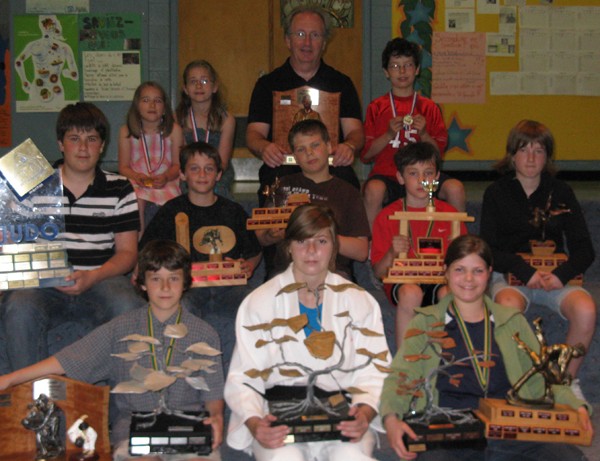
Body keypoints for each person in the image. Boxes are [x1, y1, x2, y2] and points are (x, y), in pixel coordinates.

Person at [0, 240, 225, 461]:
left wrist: (215, 416)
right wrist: (10, 379)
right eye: (156, 279)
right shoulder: (120, 328)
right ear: (141, 283)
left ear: (186, 282)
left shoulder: (204, 333)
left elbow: (213, 392)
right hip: (136, 429)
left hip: (188, 428)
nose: (165, 287)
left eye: (173, 278)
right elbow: (66, 361)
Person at [380, 235, 592, 461]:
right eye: (459, 269)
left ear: (489, 273)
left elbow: (545, 378)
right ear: (446, 272)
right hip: (450, 428)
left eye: (478, 271)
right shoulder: (425, 323)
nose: (468, 278)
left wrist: (576, 406)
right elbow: (401, 377)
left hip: (509, 427)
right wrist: (391, 419)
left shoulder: (512, 321)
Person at [225, 204, 389, 461]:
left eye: (321, 241)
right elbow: (244, 376)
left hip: (342, 414)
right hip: (279, 417)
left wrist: (365, 413)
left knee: (350, 456)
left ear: (334, 246)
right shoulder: (260, 302)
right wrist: (256, 424)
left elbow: (376, 370)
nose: (311, 250)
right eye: (302, 241)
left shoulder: (359, 301)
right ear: (289, 246)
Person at [1, 102, 144, 371]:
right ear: (60, 144)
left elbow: (128, 253)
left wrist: (93, 276)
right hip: (43, 284)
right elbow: (13, 244)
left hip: (102, 278)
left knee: (127, 303)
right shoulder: (32, 185)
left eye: (92, 139)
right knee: (19, 306)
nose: (83, 147)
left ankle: (126, 393)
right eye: (74, 138)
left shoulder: (120, 188)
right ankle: (27, 389)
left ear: (102, 146)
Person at [479, 119, 596, 392]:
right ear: (512, 155)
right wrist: (525, 271)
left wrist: (560, 276)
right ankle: (520, 384)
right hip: (511, 276)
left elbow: (584, 249)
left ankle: (566, 383)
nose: (531, 158)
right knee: (507, 308)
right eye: (524, 150)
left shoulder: (562, 192)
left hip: (556, 278)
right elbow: (488, 249)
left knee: (586, 310)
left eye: (539, 151)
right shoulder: (496, 192)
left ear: (547, 157)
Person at [139, 141, 262, 373]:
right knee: (178, 310)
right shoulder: (170, 211)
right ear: (182, 174)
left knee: (253, 305)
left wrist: (248, 266)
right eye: (194, 168)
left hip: (229, 286)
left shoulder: (233, 211)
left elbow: (254, 253)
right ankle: (178, 371)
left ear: (219, 175)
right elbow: (147, 250)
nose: (202, 175)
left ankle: (247, 373)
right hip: (187, 288)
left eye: (209, 169)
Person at [246, 5, 364, 205]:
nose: (307, 42)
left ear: (324, 42)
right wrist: (264, 147)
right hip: (283, 166)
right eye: (300, 34)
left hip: (331, 167)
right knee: (274, 189)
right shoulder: (268, 85)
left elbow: (356, 132)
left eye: (315, 35)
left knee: (348, 185)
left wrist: (349, 146)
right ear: (287, 40)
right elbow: (253, 134)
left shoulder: (341, 83)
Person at [360, 37, 464, 228]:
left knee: (455, 188)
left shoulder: (430, 108)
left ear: (417, 70)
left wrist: (424, 134)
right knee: (374, 190)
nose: (402, 71)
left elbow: (438, 154)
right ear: (386, 72)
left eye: (408, 65)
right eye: (395, 66)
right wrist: (388, 135)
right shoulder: (376, 108)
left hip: (423, 176)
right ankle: (373, 242)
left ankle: (458, 242)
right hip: (388, 176)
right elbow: (366, 155)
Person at [371, 142, 466, 350]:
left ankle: (452, 357)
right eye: (413, 173)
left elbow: (465, 263)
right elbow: (379, 273)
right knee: (411, 293)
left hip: (439, 278)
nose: (422, 179)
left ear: (437, 177)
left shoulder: (450, 214)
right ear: (400, 177)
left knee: (449, 294)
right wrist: (392, 252)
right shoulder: (387, 216)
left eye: (428, 173)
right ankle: (404, 360)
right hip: (403, 281)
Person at [256, 119, 370, 281]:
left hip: (333, 272)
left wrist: (320, 234)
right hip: (287, 272)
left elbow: (362, 252)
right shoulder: (282, 186)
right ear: (294, 156)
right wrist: (274, 235)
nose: (309, 153)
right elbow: (260, 236)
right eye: (301, 149)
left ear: (329, 147)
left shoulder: (348, 192)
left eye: (315, 145)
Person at [118, 81, 183, 230]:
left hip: (166, 180)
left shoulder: (174, 130)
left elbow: (177, 165)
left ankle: (164, 239)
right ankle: (139, 239)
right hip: (136, 180)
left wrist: (166, 176)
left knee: (172, 203)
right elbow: (123, 167)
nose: (152, 105)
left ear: (165, 108)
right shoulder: (126, 131)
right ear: (137, 106)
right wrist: (137, 176)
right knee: (135, 199)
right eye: (146, 100)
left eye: (157, 101)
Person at [175, 60, 236, 198]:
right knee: (186, 190)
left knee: (216, 191)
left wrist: (208, 175)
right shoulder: (177, 118)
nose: (198, 85)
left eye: (204, 81)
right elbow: (180, 159)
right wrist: (194, 175)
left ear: (214, 87)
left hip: (218, 173)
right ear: (185, 89)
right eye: (193, 81)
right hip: (189, 172)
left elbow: (223, 162)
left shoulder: (226, 120)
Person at [14, 15, 78, 105]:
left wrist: (24, 82)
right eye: (45, 24)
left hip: (55, 90)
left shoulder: (64, 48)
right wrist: (24, 81)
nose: (47, 27)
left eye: (50, 24)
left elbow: (75, 76)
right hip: (38, 89)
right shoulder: (34, 45)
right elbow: (18, 62)